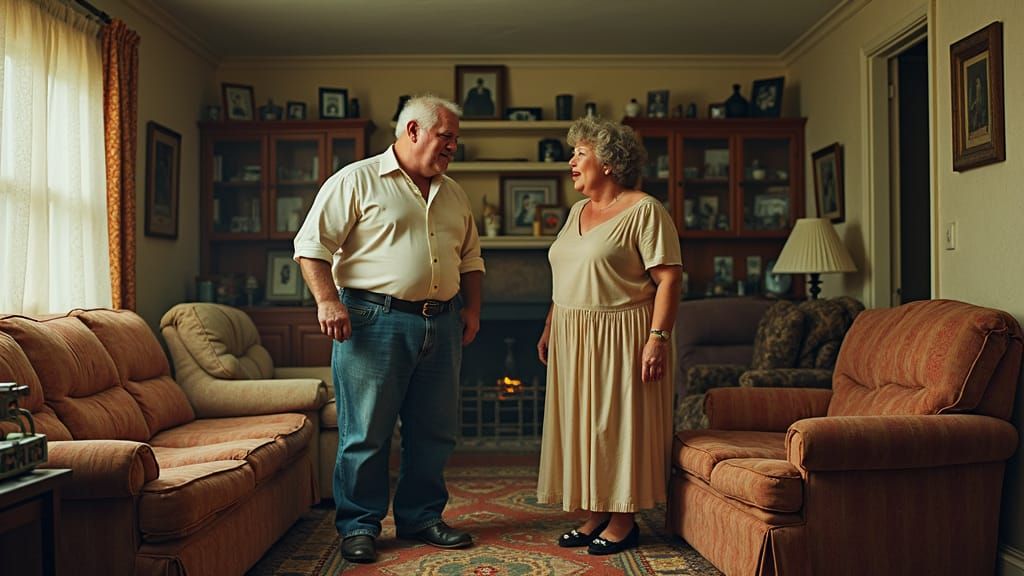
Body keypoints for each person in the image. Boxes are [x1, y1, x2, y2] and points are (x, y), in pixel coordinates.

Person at [293, 94, 485, 564]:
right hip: (371, 320)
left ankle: (421, 518)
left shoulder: (454, 192)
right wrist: (327, 301)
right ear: (413, 130)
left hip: (442, 322)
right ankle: (359, 525)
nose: (453, 146)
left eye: (456, 139)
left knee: (434, 432)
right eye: (446, 136)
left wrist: (473, 310)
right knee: (366, 433)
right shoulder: (356, 180)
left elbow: (471, 258)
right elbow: (311, 246)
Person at [535, 116, 682, 555]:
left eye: (580, 153)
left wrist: (658, 338)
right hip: (572, 333)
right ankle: (596, 511)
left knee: (616, 426)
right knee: (583, 426)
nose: (571, 161)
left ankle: (623, 519)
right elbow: (568, 275)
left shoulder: (645, 210)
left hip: (622, 334)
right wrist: (550, 325)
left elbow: (669, 279)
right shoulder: (576, 212)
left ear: (609, 163)